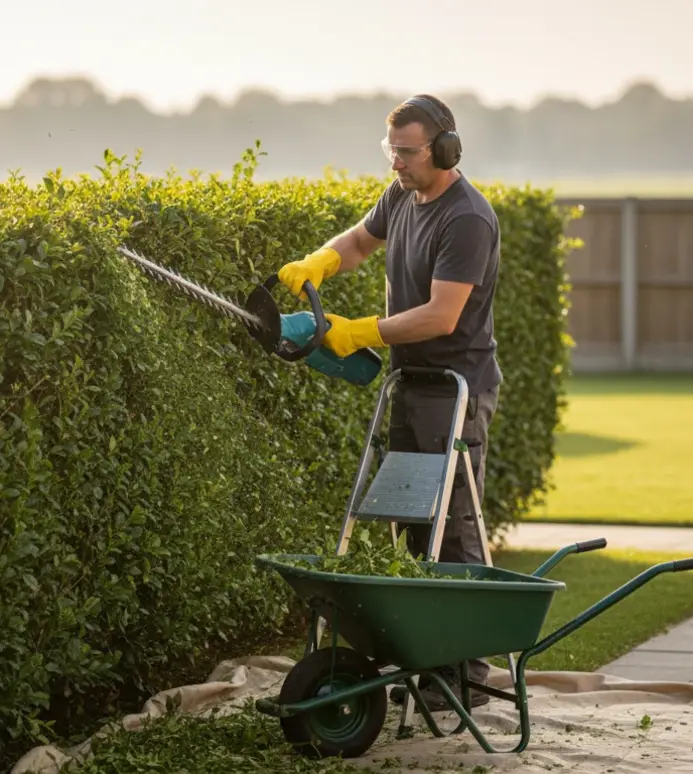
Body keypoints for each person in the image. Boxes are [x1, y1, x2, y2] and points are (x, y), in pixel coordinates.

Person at [276, 94, 503, 710]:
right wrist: (321, 260)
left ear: (446, 148)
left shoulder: (467, 219)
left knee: (450, 525)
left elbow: (441, 315)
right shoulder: (402, 196)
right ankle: (428, 659)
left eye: (407, 152)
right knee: (411, 521)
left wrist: (359, 331)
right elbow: (358, 241)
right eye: (391, 150)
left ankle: (466, 674)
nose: (395, 164)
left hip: (456, 388)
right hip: (411, 384)